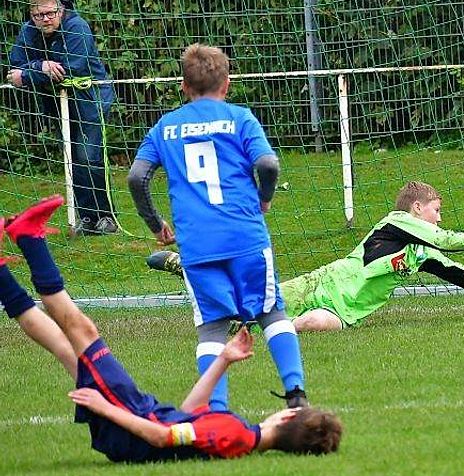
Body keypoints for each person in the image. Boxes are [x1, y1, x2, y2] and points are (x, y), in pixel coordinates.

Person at [0, 195, 341, 463]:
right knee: (65, 347)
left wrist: (105, 408)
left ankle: (30, 239)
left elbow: (163, 437)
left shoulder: (234, 434)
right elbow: (187, 415)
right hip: (132, 424)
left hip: (131, 416)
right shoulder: (238, 437)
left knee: (82, 331)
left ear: (285, 419)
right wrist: (223, 360)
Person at [127, 43, 308, 410]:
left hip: (197, 245)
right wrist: (264, 198)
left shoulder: (165, 127)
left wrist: (155, 223)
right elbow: (268, 164)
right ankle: (296, 394)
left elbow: (136, 176)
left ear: (183, 86)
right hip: (245, 235)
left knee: (212, 326)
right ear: (226, 84)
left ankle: (218, 410)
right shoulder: (240, 118)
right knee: (271, 312)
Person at [149, 181, 464, 333]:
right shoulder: (395, 221)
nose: (440, 217)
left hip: (344, 311)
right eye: (436, 209)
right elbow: (450, 241)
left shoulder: (422, 254)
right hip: (320, 282)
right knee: (249, 298)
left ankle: (257, 326)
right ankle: (187, 267)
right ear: (417, 209)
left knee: (313, 324)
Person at [6, 0, 117, 236]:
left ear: (60, 9)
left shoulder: (77, 27)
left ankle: (106, 217)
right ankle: (87, 217)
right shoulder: (28, 31)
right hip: (57, 103)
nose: (45, 19)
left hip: (90, 99)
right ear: (31, 15)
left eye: (50, 13)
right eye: (39, 16)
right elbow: (14, 67)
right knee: (72, 159)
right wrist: (41, 66)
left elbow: (70, 69)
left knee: (89, 156)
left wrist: (30, 73)